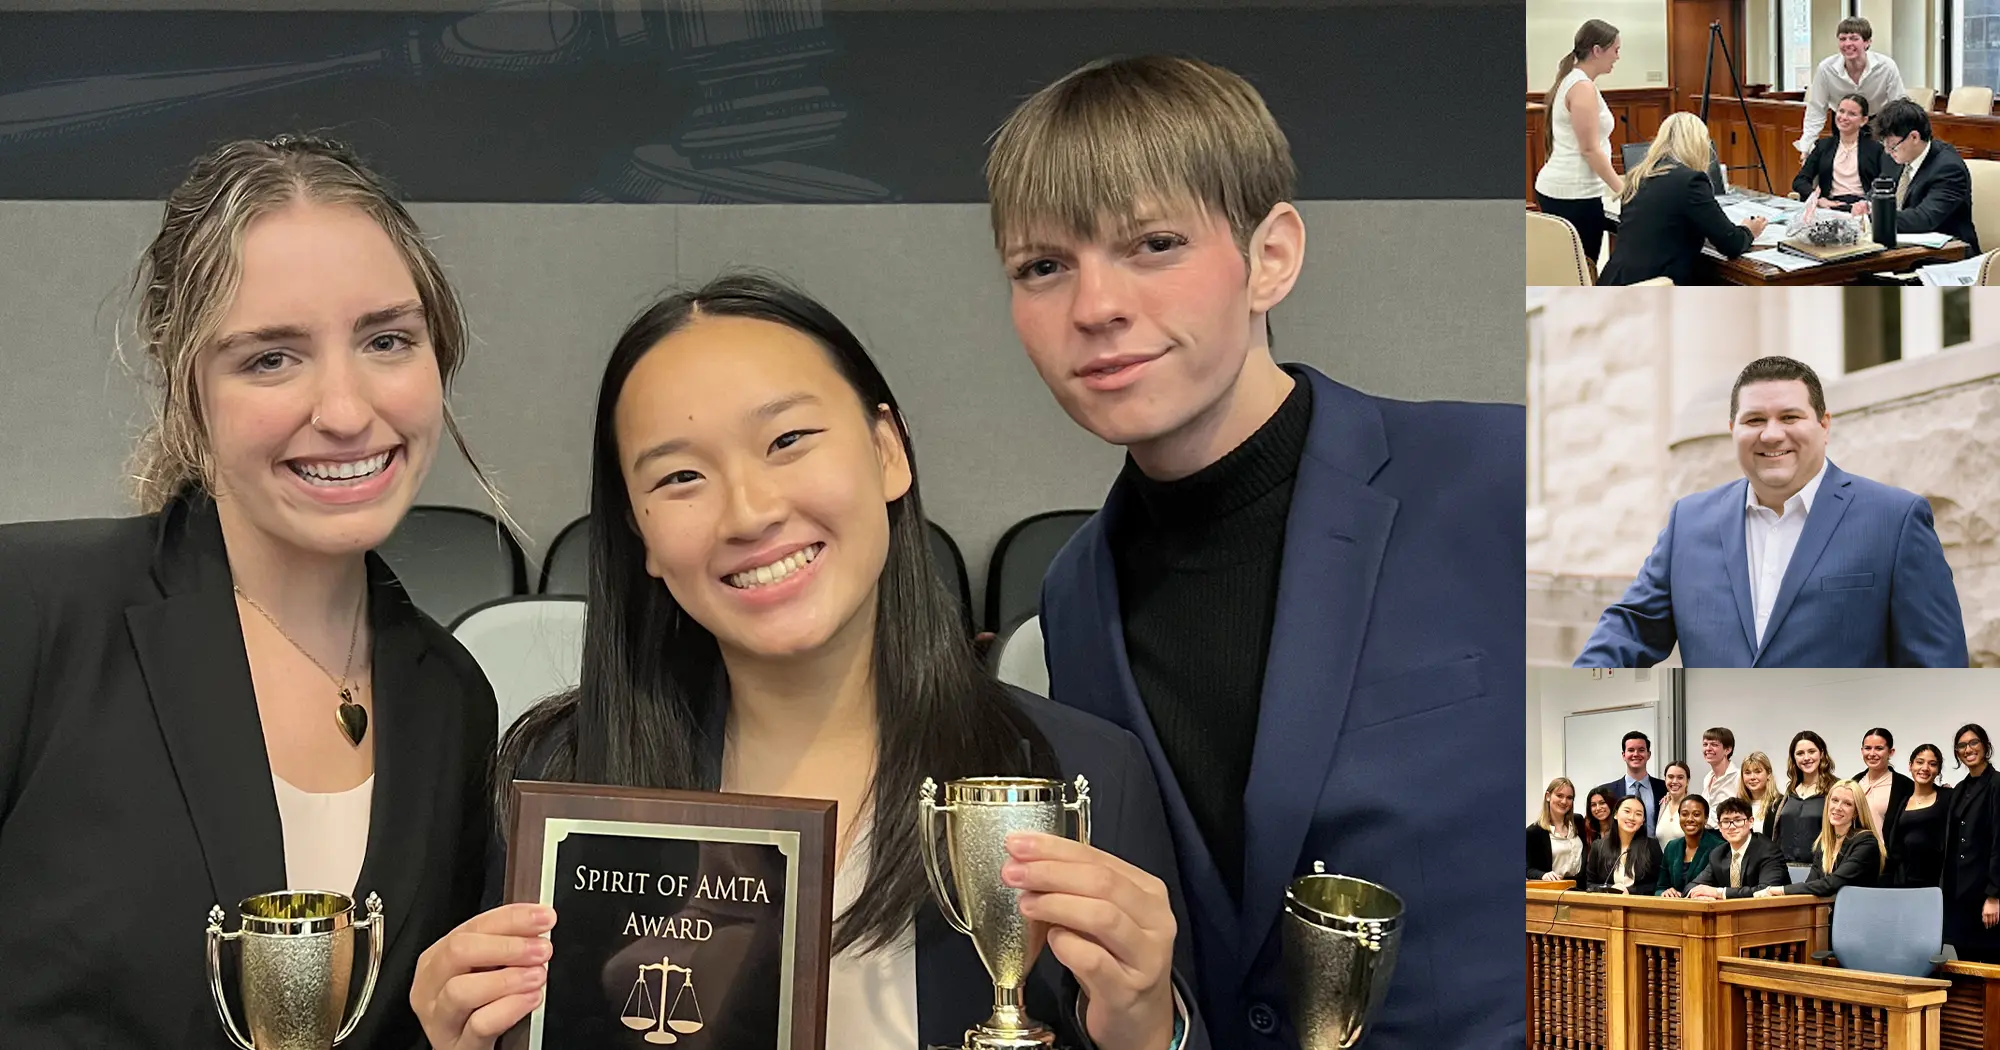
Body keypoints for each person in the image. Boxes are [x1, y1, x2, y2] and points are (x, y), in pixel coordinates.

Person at [408, 273, 1210, 1050]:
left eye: (787, 440)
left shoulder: (1079, 774)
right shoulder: (564, 779)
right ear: (641, 535)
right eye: (681, 476)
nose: (750, 511)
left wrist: (1146, 1029)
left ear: (887, 451)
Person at [985, 54, 1523, 1050]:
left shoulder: (1499, 474)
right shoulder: (1074, 597)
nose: (1093, 305)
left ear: (1268, 256)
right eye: (1042, 266)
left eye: (1150, 243)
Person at [0, 135, 499, 1048]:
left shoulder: (451, 696)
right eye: (271, 358)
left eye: (388, 339)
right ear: (187, 387)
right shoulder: (30, 613)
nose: (346, 411)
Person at [1576, 355, 1967, 668]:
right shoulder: (1688, 522)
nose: (1772, 434)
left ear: (1824, 425)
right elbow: (1630, 629)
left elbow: (1937, 667)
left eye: (1790, 417)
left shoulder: (1896, 520)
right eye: (1754, 420)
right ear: (1732, 428)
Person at [1598, 112, 1761, 286]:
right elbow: (1731, 243)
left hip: (1614, 284)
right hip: (1655, 292)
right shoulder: (1691, 181)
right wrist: (1749, 230)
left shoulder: (1639, 176)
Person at [1535, 19, 1625, 267]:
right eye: (1615, 50)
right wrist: (1623, 190)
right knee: (1581, 272)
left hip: (1566, 189)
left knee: (1568, 271)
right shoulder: (1581, 86)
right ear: (1597, 50)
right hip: (1573, 195)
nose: (1617, 57)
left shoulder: (1575, 81)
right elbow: (1589, 149)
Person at [1853, 100, 1981, 253]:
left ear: (1914, 137)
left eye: (1892, 145)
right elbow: (1880, 189)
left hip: (1946, 254)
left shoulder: (1949, 169)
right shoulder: (1894, 157)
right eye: (1884, 145)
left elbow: (1924, 219)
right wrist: (1866, 204)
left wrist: (1873, 218)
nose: (1887, 151)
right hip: (1900, 248)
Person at [1795, 17, 1907, 157]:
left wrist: (1898, 142)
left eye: (1854, 38)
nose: (1847, 43)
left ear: (1867, 42)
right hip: (1843, 123)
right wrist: (1806, 146)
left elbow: (1898, 106)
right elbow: (1816, 108)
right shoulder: (1826, 68)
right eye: (1842, 39)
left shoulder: (1886, 66)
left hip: (1877, 122)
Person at [1760, 780, 1884, 897]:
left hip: (1856, 914)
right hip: (1827, 913)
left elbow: (1831, 884)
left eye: (1847, 803)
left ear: (1856, 812)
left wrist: (1779, 890)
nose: (1838, 807)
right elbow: (1811, 885)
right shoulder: (1824, 841)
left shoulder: (1866, 842)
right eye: (1834, 800)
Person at [1942, 724, 2000, 962]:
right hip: (1960, 894)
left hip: (1985, 893)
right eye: (1962, 746)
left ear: (1985, 746)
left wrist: (1994, 896)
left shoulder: (1997, 783)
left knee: (1990, 965)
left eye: (1973, 743)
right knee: (1965, 962)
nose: (1968, 749)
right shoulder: (1960, 789)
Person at [1792, 93, 1892, 204]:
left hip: (1863, 207)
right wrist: (1818, 199)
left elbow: (1885, 182)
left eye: (1852, 114)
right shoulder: (1823, 146)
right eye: (1841, 111)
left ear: (1863, 120)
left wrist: (1867, 204)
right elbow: (1800, 181)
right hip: (1830, 206)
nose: (1844, 117)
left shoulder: (1876, 149)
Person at [1688, 797, 1792, 899]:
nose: (1732, 827)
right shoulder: (1718, 854)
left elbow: (1765, 891)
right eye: (1726, 821)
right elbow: (1692, 886)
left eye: (1738, 820)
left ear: (1750, 822)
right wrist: (1699, 896)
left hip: (1770, 912)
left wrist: (1719, 892)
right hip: (1730, 915)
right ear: (1719, 827)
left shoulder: (1768, 851)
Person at [1886, 743, 1952, 888]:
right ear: (1910, 766)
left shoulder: (1948, 797)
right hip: (1904, 881)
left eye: (1932, 764)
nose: (1925, 768)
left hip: (1937, 882)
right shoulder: (1902, 801)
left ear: (1938, 769)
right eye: (1920, 762)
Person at [1775, 731, 1838, 865]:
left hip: (1820, 870)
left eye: (1811, 751)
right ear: (1793, 758)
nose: (1806, 758)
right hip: (1784, 868)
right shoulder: (1790, 791)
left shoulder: (1835, 789)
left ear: (1821, 753)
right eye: (1800, 753)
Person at [1583, 797, 1663, 895]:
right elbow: (1590, 884)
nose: (1631, 817)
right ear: (1616, 814)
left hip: (1640, 906)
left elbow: (1658, 884)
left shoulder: (1652, 846)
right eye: (1627, 811)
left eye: (1638, 814)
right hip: (1606, 906)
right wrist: (1611, 889)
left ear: (1643, 821)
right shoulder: (1598, 846)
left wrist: (1629, 891)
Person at [1592, 731, 1668, 832]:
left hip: (1655, 847)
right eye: (1631, 750)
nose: (1636, 754)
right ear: (1623, 755)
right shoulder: (1606, 791)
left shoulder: (1665, 788)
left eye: (1641, 750)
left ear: (1648, 754)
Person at [1656, 795, 1726, 898]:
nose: (1690, 819)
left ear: (1706, 819)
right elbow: (1660, 887)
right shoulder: (1671, 847)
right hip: (1673, 909)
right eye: (1684, 814)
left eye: (1696, 814)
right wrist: (1665, 892)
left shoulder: (1719, 848)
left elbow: (1722, 888)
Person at [1858, 727, 1915, 851]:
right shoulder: (1854, 783)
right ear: (1862, 751)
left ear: (1891, 752)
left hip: (1888, 862)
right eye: (1868, 748)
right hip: (1855, 859)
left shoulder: (1905, 786)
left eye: (1879, 748)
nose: (1872, 754)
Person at [1529, 777, 1590, 881]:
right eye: (1559, 796)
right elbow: (1526, 868)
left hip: (1581, 889)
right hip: (1554, 889)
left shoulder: (1578, 821)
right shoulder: (1534, 832)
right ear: (1548, 796)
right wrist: (1542, 875)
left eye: (1569, 797)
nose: (1564, 801)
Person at [1701, 727, 1741, 827]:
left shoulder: (1739, 777)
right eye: (1705, 744)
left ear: (1727, 750)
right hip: (1707, 835)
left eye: (1714, 745)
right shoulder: (1707, 778)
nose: (1708, 749)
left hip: (1727, 836)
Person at [1739, 751, 1784, 838]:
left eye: (1758, 772)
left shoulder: (1780, 804)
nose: (1752, 777)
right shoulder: (1739, 806)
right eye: (1747, 773)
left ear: (1769, 774)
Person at [1655, 761, 1693, 845]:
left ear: (1687, 781)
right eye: (1670, 777)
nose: (1674, 781)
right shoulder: (1662, 804)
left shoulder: (1694, 807)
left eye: (1680, 777)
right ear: (1665, 779)